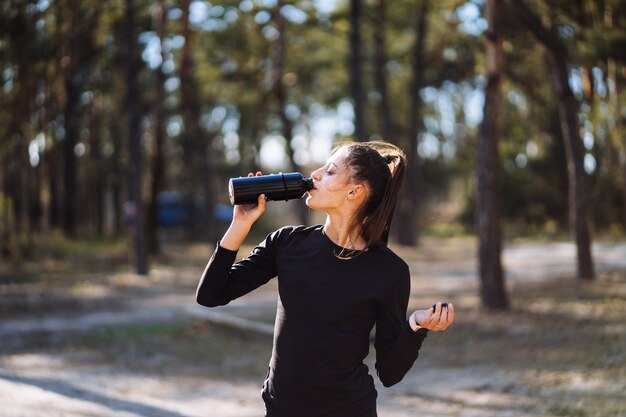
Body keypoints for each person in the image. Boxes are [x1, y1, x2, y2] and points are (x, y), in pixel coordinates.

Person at [196, 140, 454, 417]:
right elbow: (211, 294)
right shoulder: (287, 243)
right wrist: (241, 223)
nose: (315, 174)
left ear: (355, 191)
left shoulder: (389, 271)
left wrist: (415, 327)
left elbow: (389, 373)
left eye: (330, 171)